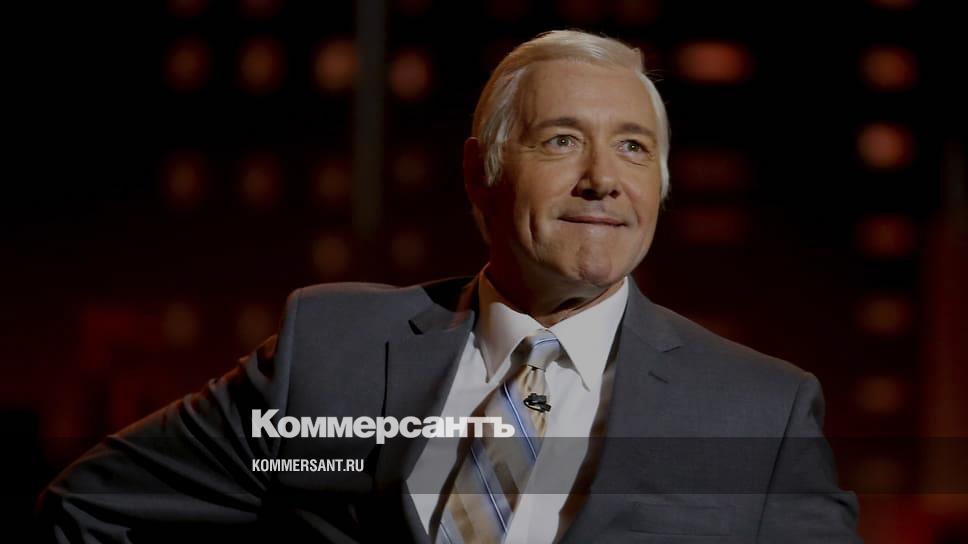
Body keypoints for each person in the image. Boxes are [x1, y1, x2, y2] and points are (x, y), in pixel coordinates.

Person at [38, 30, 861, 543]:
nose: (603, 179)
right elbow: (89, 510)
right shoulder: (332, 354)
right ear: (480, 173)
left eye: (635, 148)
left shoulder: (759, 411)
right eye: (562, 140)